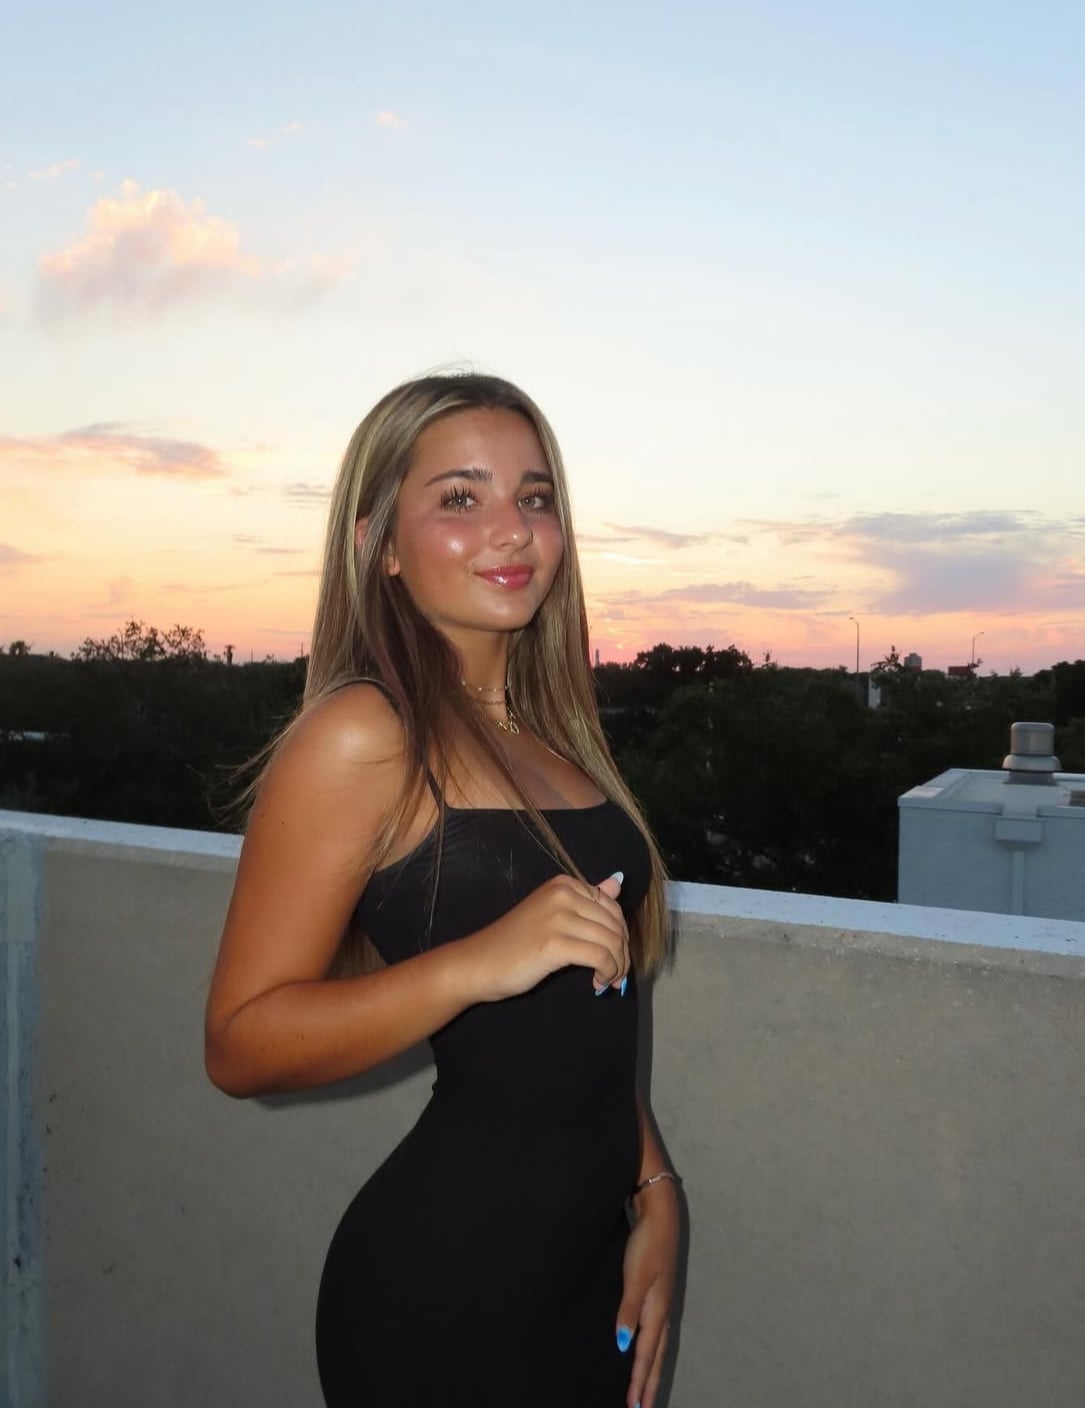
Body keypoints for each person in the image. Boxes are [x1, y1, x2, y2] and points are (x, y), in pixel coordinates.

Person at [204, 372, 680, 1408]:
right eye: (461, 497)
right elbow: (239, 1044)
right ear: (378, 540)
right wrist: (474, 964)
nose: (511, 530)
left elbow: (574, 1031)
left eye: (534, 497)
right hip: (446, 1302)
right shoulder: (363, 735)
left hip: (580, 1272)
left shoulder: (549, 738)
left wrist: (653, 1186)